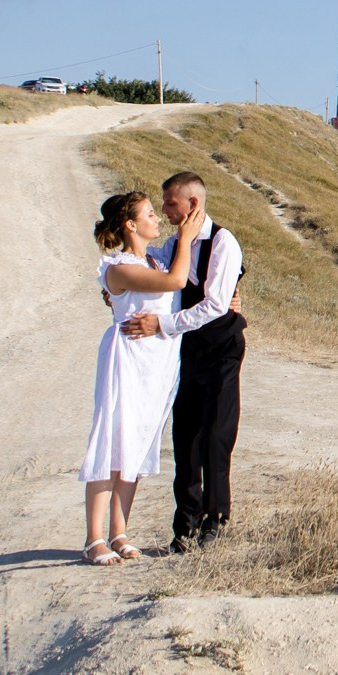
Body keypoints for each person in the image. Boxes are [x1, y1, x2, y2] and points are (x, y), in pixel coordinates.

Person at [119, 170, 245, 552]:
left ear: (193, 203)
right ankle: (186, 526)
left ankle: (216, 520)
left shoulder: (223, 242)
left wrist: (162, 324)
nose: (164, 209)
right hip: (186, 351)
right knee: (185, 437)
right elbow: (145, 267)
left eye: (170, 203)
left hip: (221, 348)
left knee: (216, 435)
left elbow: (216, 305)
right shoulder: (174, 245)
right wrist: (113, 287)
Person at [80, 189, 199, 565]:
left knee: (137, 443)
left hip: (156, 364)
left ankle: (119, 533)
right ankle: (93, 539)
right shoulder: (118, 268)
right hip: (127, 361)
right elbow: (177, 281)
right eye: (149, 213)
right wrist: (186, 238)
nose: (156, 218)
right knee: (112, 443)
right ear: (130, 225)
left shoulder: (154, 259)